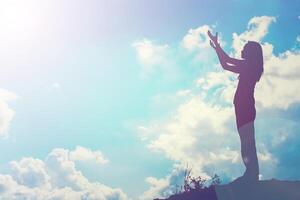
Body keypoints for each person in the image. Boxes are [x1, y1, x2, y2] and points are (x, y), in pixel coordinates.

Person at [208, 30, 264, 182]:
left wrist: (217, 45)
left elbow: (226, 60)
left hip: (245, 107)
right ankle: (251, 173)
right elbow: (225, 65)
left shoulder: (249, 66)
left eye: (245, 48)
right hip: (243, 107)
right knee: (246, 142)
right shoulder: (249, 66)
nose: (242, 49)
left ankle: (252, 175)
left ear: (251, 53)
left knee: (247, 142)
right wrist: (216, 48)